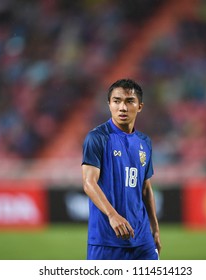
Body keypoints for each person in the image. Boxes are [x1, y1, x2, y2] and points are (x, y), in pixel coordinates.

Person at [81, 78, 161, 260]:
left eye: (129, 101)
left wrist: (155, 229)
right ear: (109, 104)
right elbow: (88, 182)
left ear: (140, 106)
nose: (122, 108)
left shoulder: (144, 142)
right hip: (106, 240)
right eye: (116, 101)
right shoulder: (97, 138)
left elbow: (146, 188)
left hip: (143, 241)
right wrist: (112, 215)